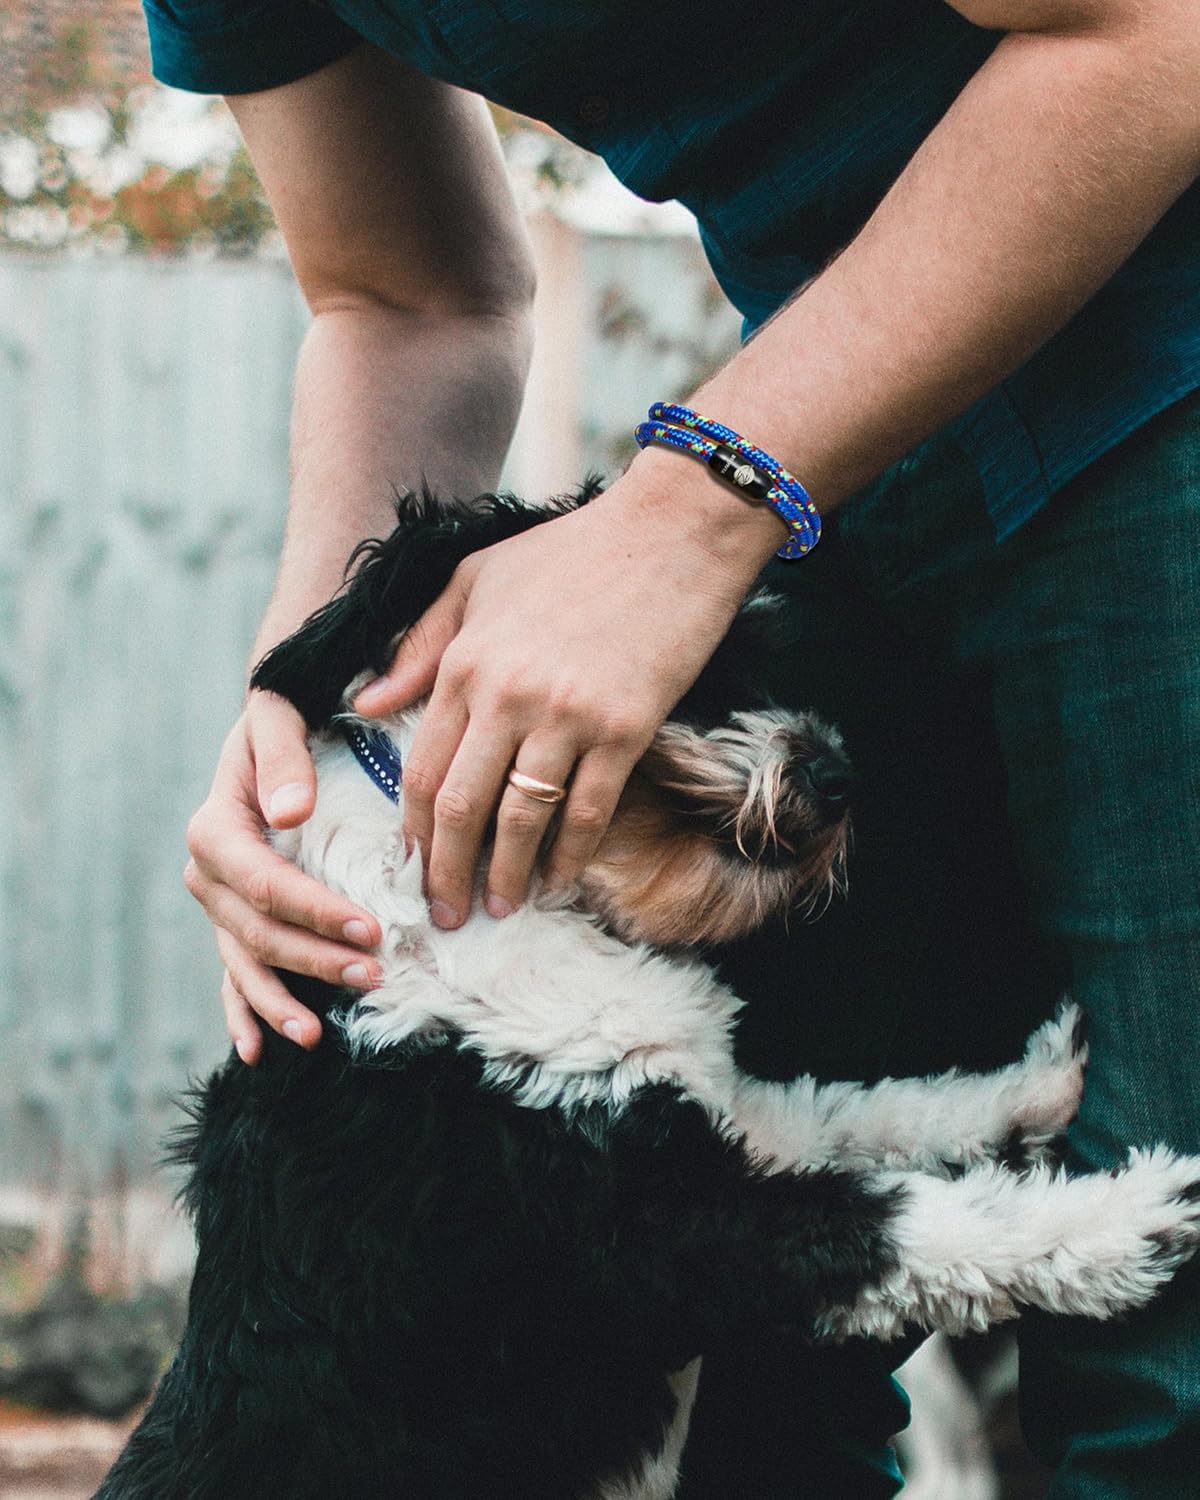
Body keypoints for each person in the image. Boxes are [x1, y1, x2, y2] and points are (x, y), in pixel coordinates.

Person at [147, 1, 1200, 1494]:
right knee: (759, 1360)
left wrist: (688, 510)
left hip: (1151, 377)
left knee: (1167, 1358)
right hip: (842, 460)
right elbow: (403, 293)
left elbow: (1151, 33)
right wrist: (304, 725)